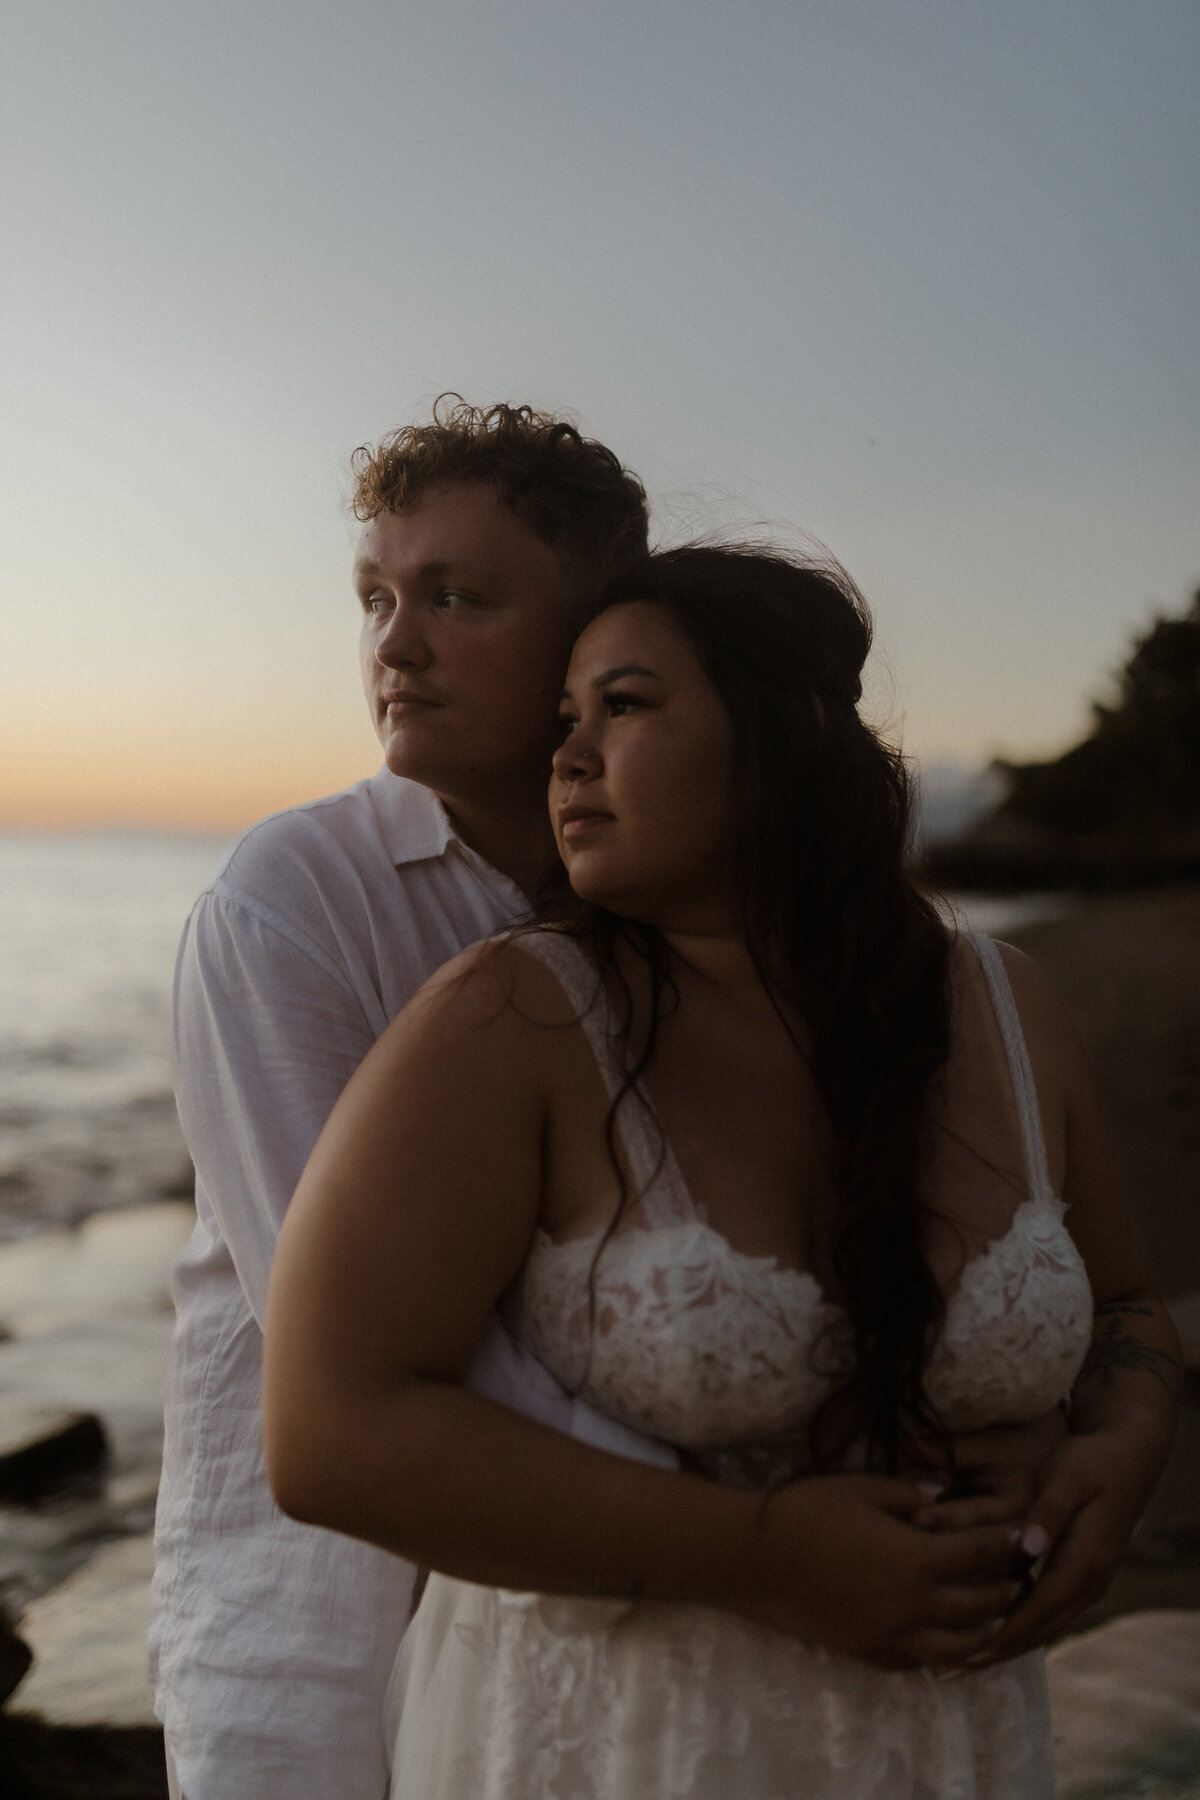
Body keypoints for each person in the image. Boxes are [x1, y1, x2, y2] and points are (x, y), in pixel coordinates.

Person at [264, 545, 1182, 1799]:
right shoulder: (514, 1021)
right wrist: (764, 1555)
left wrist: (1117, 1459)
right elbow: (327, 1433)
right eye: (563, 721)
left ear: (790, 732)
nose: (569, 758)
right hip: (624, 1748)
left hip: (946, 1742)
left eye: (625, 706)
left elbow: (1128, 1306)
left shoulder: (1003, 1005)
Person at [149, 400, 655, 1800]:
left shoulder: (666, 915)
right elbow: (350, 1341)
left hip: (604, 1649)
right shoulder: (289, 901)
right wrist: (729, 1523)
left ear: (594, 635)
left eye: (456, 598)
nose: (394, 645)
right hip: (318, 1640)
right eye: (375, 597)